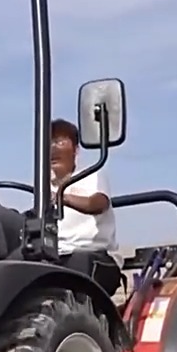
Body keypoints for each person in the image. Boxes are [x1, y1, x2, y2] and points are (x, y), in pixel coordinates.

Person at [49, 118, 122, 296]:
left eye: (60, 142)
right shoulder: (43, 188)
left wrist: (64, 198)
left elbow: (98, 203)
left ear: (75, 150)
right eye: (49, 143)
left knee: (76, 269)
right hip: (55, 256)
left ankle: (77, 318)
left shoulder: (92, 176)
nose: (53, 148)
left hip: (93, 255)